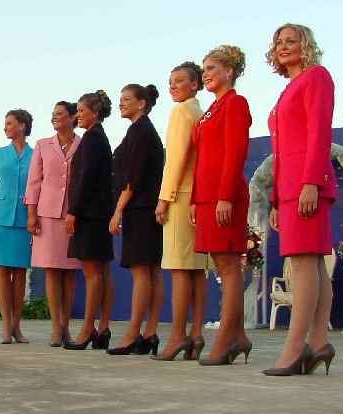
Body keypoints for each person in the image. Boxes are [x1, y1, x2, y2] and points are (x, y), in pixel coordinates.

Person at [264, 24, 336, 376]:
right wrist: (277, 199)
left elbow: (320, 131)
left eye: (291, 41)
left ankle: (295, 348)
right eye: (279, 42)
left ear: (306, 45)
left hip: (307, 184)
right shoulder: (288, 88)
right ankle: (319, 343)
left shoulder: (316, 77)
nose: (284, 46)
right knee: (313, 263)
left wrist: (311, 182)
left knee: (305, 263)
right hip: (290, 188)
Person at [191, 45, 252, 365]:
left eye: (212, 67)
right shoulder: (211, 110)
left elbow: (235, 152)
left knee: (228, 267)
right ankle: (238, 337)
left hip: (224, 197)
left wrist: (225, 196)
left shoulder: (235, 104)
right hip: (206, 197)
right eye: (204, 69)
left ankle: (227, 338)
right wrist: (195, 198)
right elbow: (202, 157)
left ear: (230, 71)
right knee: (220, 264)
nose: (206, 74)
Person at [155, 62, 209, 361]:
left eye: (179, 80)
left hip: (180, 196)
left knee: (178, 269)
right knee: (197, 269)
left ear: (194, 84)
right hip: (197, 197)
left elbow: (175, 159)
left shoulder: (181, 112)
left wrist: (164, 198)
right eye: (170, 81)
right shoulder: (200, 112)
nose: (172, 86)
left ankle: (177, 336)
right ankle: (196, 334)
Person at [107, 84, 164, 356]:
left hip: (141, 209)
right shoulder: (141, 130)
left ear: (142, 103)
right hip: (146, 208)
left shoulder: (140, 131)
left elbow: (134, 177)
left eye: (127, 99)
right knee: (152, 271)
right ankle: (150, 333)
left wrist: (118, 210)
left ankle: (133, 334)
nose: (121, 103)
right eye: (120, 99)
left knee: (143, 271)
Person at [25, 101, 81, 347]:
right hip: (47, 214)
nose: (54, 118)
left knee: (69, 271)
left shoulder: (83, 144)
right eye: (53, 114)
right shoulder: (42, 145)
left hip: (73, 215)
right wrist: (31, 213)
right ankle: (56, 327)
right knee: (52, 270)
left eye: (59, 114)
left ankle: (66, 326)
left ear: (72, 117)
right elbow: (34, 180)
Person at [64, 90, 115, 351]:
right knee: (102, 271)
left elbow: (85, 178)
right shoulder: (99, 138)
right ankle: (102, 327)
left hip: (89, 215)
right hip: (99, 213)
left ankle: (87, 329)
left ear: (94, 113)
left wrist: (73, 210)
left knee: (93, 272)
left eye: (82, 111)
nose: (78, 115)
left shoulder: (92, 139)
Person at [0, 109, 34, 344]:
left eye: (10, 123)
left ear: (22, 126)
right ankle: (5, 326)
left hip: (25, 219)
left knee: (21, 272)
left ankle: (16, 326)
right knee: (3, 271)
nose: (6, 127)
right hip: (1, 219)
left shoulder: (36, 154)